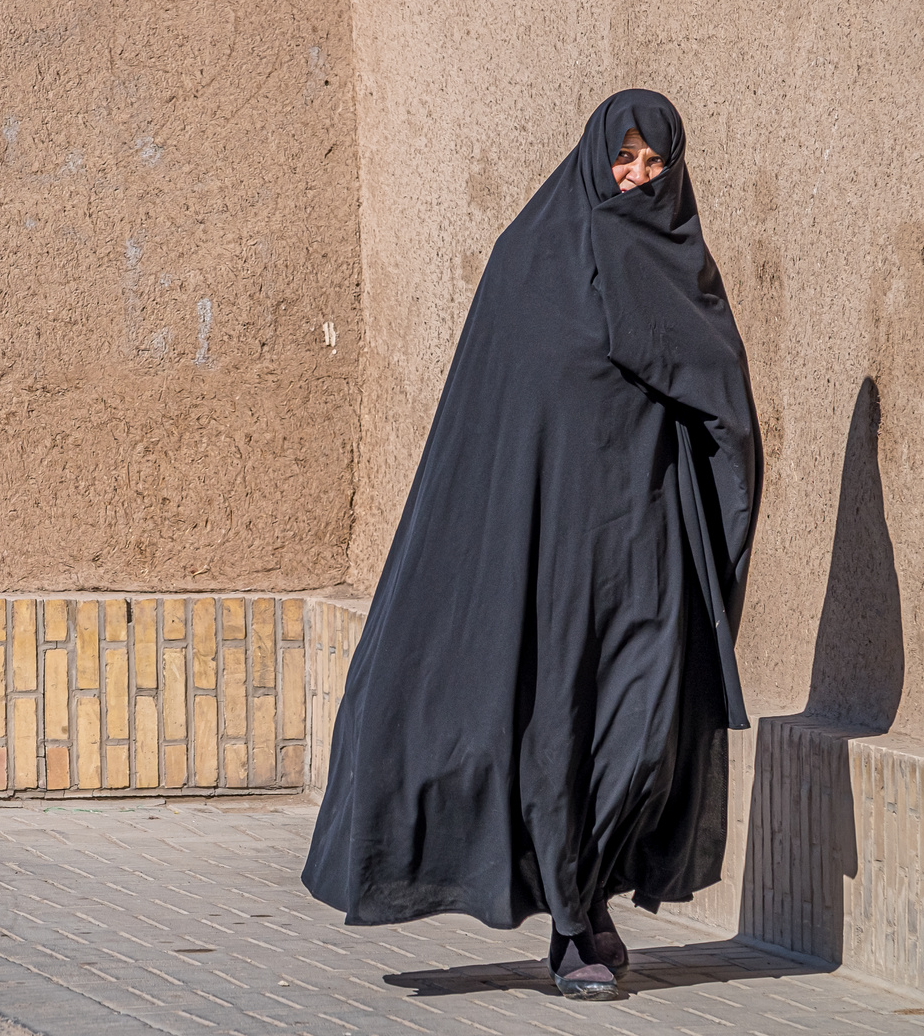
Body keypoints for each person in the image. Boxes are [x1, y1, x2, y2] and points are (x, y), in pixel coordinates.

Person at [302, 90, 762, 1001]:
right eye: (624, 159)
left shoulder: (681, 266)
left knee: (641, 729)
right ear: (596, 158)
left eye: (654, 165)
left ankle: (585, 901)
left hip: (649, 547)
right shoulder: (531, 259)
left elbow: (722, 394)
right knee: (561, 729)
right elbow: (491, 418)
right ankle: (573, 926)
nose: (637, 178)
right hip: (549, 554)